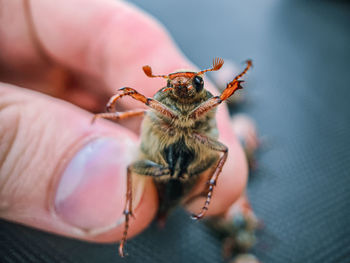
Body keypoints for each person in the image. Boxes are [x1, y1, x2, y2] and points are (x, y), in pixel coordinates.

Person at [0, 0, 251, 246]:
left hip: (189, 172)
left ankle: (202, 194)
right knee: (139, 138)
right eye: (175, 85)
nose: (183, 88)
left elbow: (215, 103)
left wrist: (231, 87)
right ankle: (132, 214)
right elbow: (148, 109)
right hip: (162, 169)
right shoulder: (160, 106)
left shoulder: (203, 107)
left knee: (221, 150)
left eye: (192, 84)